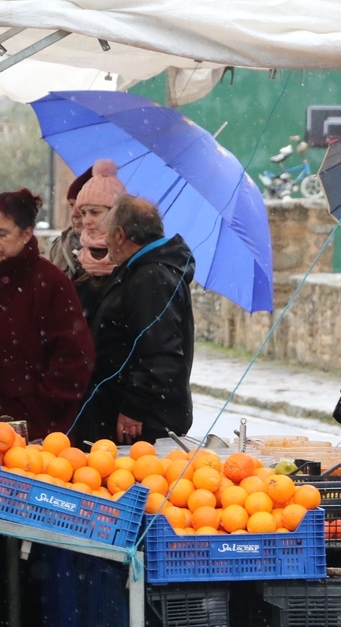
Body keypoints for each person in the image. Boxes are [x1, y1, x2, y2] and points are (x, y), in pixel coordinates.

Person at [0, 189, 95, 441]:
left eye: (2, 234)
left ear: (26, 234)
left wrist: (41, 404)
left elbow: (76, 355)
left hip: (32, 428)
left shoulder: (50, 282)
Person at [77, 195, 195, 445]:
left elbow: (161, 354)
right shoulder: (139, 270)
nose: (105, 239)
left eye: (107, 232)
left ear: (120, 235)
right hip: (119, 410)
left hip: (143, 425)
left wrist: (135, 408)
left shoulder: (151, 277)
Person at [70, 160, 127, 319]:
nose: (86, 220)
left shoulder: (130, 260)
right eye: (83, 213)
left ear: (116, 213)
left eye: (94, 212)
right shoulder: (80, 259)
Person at [45, 166, 92, 280]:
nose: (74, 213)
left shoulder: (114, 252)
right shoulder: (59, 245)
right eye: (71, 205)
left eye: (82, 206)